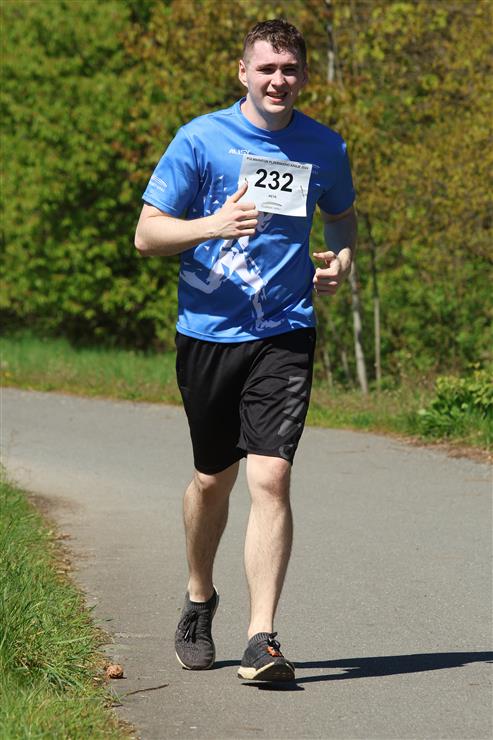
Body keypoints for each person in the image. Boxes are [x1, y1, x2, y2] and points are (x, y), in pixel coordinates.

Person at [134, 18, 357, 682]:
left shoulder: (325, 146)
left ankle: (262, 638)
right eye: (266, 68)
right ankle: (199, 595)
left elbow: (341, 215)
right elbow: (147, 235)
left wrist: (340, 259)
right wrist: (212, 224)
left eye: (289, 69)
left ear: (303, 76)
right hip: (208, 333)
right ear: (243, 72)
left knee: (271, 476)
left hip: (284, 330)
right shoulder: (200, 138)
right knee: (213, 479)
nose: (278, 80)